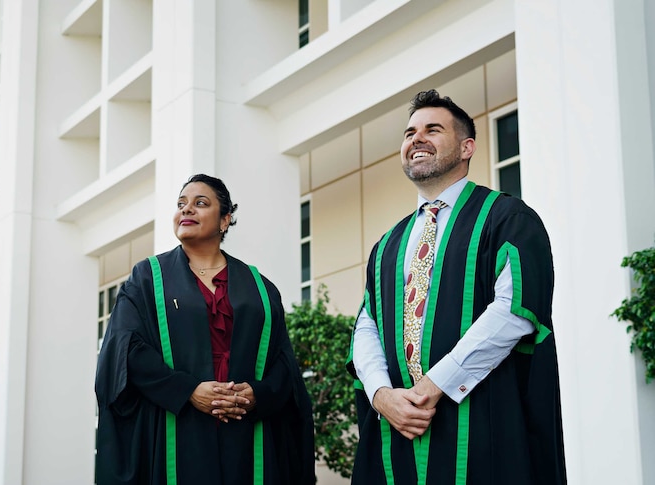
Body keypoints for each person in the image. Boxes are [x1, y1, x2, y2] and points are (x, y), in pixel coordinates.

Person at [347, 90, 566, 484]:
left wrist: (435, 384)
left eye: (433, 129)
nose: (417, 138)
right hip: (399, 424)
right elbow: (367, 326)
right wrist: (382, 396)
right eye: (410, 131)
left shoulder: (507, 218)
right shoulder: (389, 244)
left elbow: (515, 310)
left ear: (467, 147)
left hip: (482, 415)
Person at [95, 174, 315, 485]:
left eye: (200, 203)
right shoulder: (147, 278)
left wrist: (256, 395)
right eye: (181, 204)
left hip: (246, 433)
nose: (186, 210)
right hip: (176, 428)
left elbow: (283, 365)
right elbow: (126, 348)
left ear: (225, 220)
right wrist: (187, 391)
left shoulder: (260, 288)